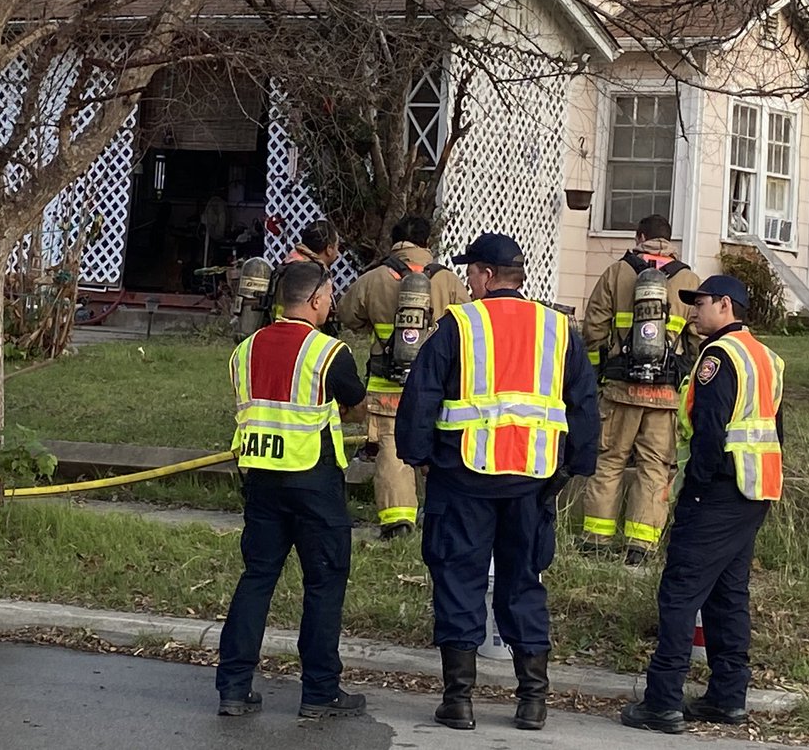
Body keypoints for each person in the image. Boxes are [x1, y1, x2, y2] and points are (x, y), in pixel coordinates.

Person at [396, 233, 600, 732]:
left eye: (471, 273)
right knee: (523, 583)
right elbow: (584, 405)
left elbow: (421, 396)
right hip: (534, 482)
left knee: (459, 578)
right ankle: (533, 700)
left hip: (464, 478)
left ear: (487, 275)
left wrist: (418, 456)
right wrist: (576, 465)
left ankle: (459, 700)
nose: (467, 281)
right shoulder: (558, 329)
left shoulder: (459, 326)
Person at [621, 274, 784, 734]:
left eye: (701, 302)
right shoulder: (766, 357)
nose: (693, 310)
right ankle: (728, 697)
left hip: (717, 492)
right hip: (755, 492)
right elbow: (776, 430)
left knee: (680, 592)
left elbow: (710, 433)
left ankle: (663, 701)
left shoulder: (719, 357)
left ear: (726, 306)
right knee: (727, 596)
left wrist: (693, 493)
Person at [216, 261, 368, 720]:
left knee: (257, 579)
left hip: (260, 479)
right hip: (313, 481)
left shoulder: (244, 350)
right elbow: (356, 406)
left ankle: (234, 689)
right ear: (318, 300)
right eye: (330, 297)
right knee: (323, 583)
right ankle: (320, 693)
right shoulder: (328, 352)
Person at [335, 215, 469, 540]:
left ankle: (397, 521)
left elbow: (346, 314)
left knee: (392, 447)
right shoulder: (447, 280)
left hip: (387, 383)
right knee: (440, 443)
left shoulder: (375, 277)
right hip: (439, 381)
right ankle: (438, 514)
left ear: (394, 241)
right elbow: (469, 324)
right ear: (426, 243)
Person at [581, 214, 701, 566]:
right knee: (655, 466)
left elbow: (593, 328)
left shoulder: (617, 273)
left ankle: (596, 539)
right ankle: (641, 544)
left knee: (610, 460)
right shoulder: (688, 278)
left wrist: (601, 369)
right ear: (669, 240)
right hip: (665, 395)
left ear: (640, 237)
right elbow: (695, 339)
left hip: (620, 389)